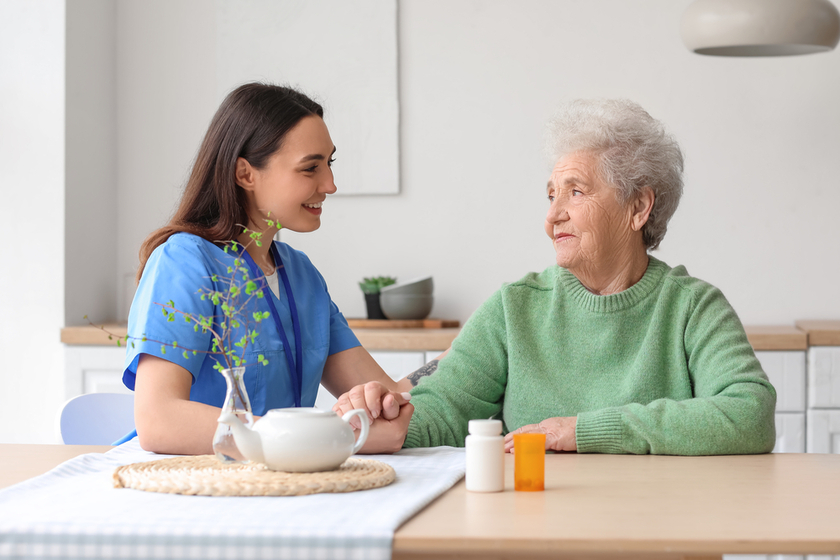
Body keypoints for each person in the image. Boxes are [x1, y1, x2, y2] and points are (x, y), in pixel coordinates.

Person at [336, 98, 777, 456]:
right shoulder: (515, 307)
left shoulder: (693, 308)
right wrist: (390, 419)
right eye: (550, 195)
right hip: (536, 526)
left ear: (639, 208)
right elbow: (444, 407)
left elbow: (750, 415)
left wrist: (587, 431)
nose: (552, 216)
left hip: (661, 527)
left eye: (576, 191)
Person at [121, 83, 411, 454]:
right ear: (245, 174)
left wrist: (472, 348)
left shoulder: (302, 275)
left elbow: (389, 397)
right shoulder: (184, 261)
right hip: (196, 486)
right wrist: (319, 438)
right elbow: (159, 421)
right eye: (310, 168)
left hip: (283, 487)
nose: (330, 184)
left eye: (329, 163)